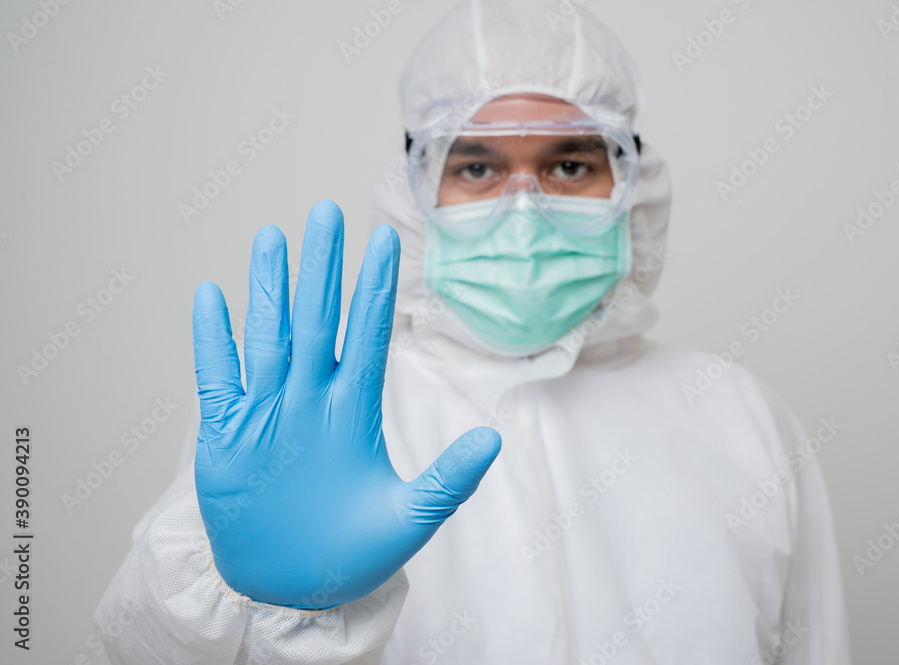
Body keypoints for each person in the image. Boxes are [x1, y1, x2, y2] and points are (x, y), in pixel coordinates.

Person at [95, 1, 851, 663]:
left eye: (571, 164)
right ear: (417, 191)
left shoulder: (738, 418)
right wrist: (257, 602)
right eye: (479, 167)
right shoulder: (312, 414)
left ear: (632, 187)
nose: (525, 209)